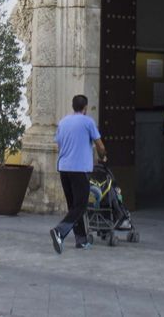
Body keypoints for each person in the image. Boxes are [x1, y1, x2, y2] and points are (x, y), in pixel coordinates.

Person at [49, 94, 105, 253]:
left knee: (73, 206)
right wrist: (103, 155)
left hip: (64, 168)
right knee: (80, 206)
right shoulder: (88, 122)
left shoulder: (63, 122)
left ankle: (81, 240)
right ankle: (59, 231)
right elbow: (99, 145)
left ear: (73, 106)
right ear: (85, 107)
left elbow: (59, 143)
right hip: (79, 169)